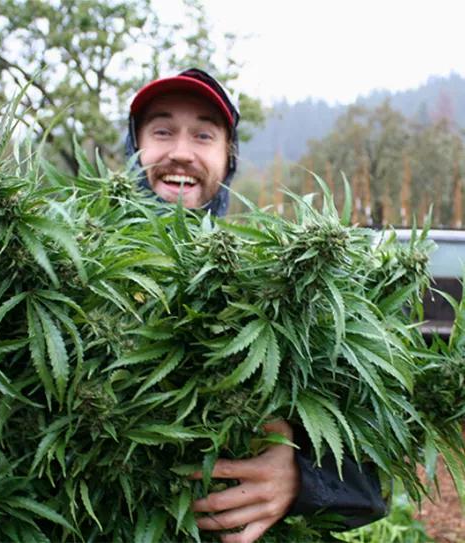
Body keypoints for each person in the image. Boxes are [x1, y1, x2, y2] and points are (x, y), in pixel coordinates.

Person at [126, 68, 386, 543]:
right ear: (134, 148)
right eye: (162, 131)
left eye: (203, 135)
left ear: (228, 158)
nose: (180, 151)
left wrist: (301, 480)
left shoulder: (271, 284)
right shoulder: (70, 266)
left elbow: (372, 477)